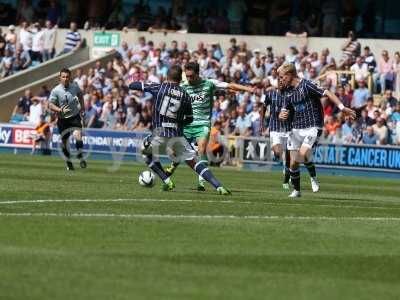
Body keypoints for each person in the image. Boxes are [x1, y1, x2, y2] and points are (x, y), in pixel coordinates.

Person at [128, 65, 230, 195]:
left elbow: (134, 86)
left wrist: (132, 79)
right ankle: (219, 186)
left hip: (159, 134)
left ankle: (167, 181)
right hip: (177, 135)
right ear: (180, 78)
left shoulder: (159, 88)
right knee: (194, 163)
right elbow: (189, 119)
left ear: (166, 77)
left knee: (145, 152)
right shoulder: (185, 95)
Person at [164, 62, 253, 191]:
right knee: (176, 152)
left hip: (202, 124)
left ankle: (202, 182)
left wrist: (249, 89)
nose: (189, 79)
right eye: (187, 76)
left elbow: (230, 86)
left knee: (201, 150)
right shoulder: (183, 86)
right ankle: (173, 165)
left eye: (191, 76)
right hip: (186, 124)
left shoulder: (209, 83)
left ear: (197, 73)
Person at [278, 63, 356, 198]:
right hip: (296, 128)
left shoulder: (307, 85)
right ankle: (297, 191)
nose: (280, 80)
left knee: (299, 158)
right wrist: (281, 115)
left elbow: (328, 93)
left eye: (282, 77)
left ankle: (312, 178)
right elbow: (284, 110)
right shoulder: (288, 91)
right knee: (293, 163)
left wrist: (342, 108)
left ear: (290, 75)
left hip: (313, 126)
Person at [48, 68, 86, 170]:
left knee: (78, 135)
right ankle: (68, 162)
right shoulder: (56, 90)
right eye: (63, 77)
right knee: (64, 143)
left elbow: (81, 96)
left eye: (67, 77)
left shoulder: (74, 87)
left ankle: (80, 155)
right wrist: (60, 110)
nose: (65, 79)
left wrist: (82, 108)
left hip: (74, 116)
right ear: (60, 78)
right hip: (62, 119)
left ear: (70, 77)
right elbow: (50, 105)